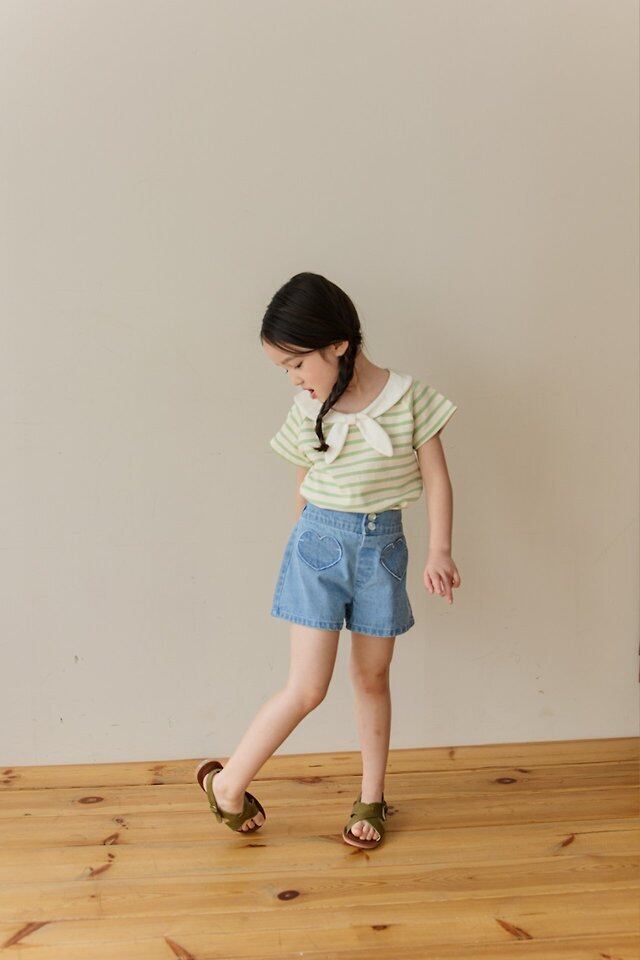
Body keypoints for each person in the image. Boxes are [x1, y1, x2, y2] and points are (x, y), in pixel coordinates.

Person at [195, 272, 461, 849]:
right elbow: (304, 481)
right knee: (307, 688)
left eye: (296, 364)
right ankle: (228, 784)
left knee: (372, 678)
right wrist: (303, 547)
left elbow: (437, 478)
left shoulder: (410, 398)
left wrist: (439, 549)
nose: (294, 378)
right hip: (318, 545)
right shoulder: (306, 410)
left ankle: (372, 798)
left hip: (383, 549)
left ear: (338, 344)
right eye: (284, 369)